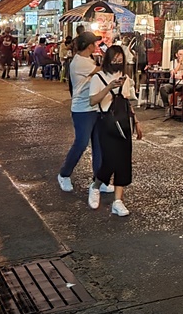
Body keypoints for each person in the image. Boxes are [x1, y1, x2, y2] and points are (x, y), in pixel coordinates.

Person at [57, 32, 113, 199]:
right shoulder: (81, 62)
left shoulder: (87, 60)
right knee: (81, 143)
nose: (97, 46)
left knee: (99, 145)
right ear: (89, 46)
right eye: (95, 44)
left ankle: (99, 181)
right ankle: (64, 174)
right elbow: (103, 70)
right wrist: (108, 52)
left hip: (95, 107)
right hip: (82, 109)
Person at [89, 45, 141, 216]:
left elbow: (126, 101)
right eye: (115, 59)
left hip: (124, 123)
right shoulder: (98, 77)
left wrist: (137, 122)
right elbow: (92, 101)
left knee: (124, 162)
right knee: (110, 160)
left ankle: (118, 201)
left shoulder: (124, 77)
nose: (118, 62)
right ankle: (96, 186)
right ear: (108, 59)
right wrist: (109, 87)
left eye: (120, 59)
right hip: (105, 123)